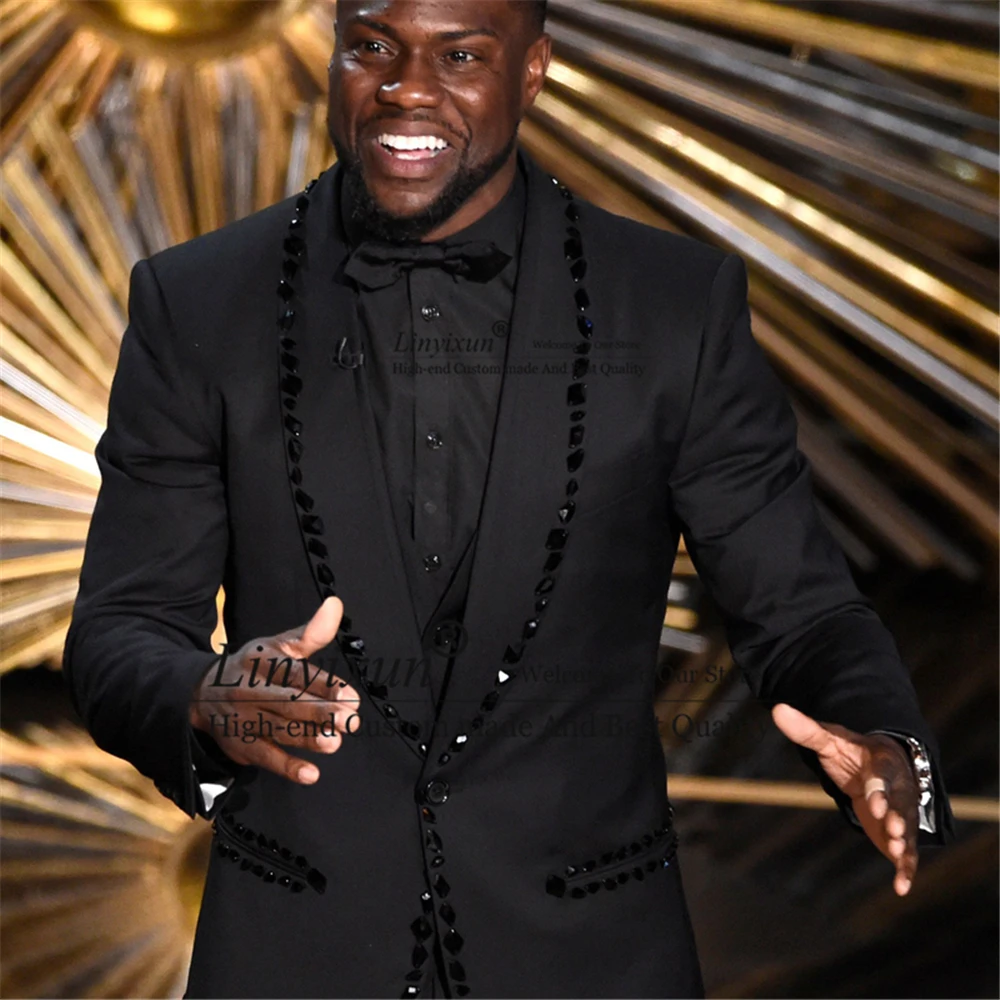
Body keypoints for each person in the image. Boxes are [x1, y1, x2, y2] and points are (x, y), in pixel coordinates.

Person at [63, 1, 954, 996]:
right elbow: (122, 630)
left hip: (594, 961)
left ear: (532, 70)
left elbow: (800, 610)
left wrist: (882, 740)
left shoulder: (673, 306)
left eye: (459, 55)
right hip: (296, 960)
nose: (406, 88)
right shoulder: (196, 303)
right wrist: (203, 698)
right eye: (372, 48)